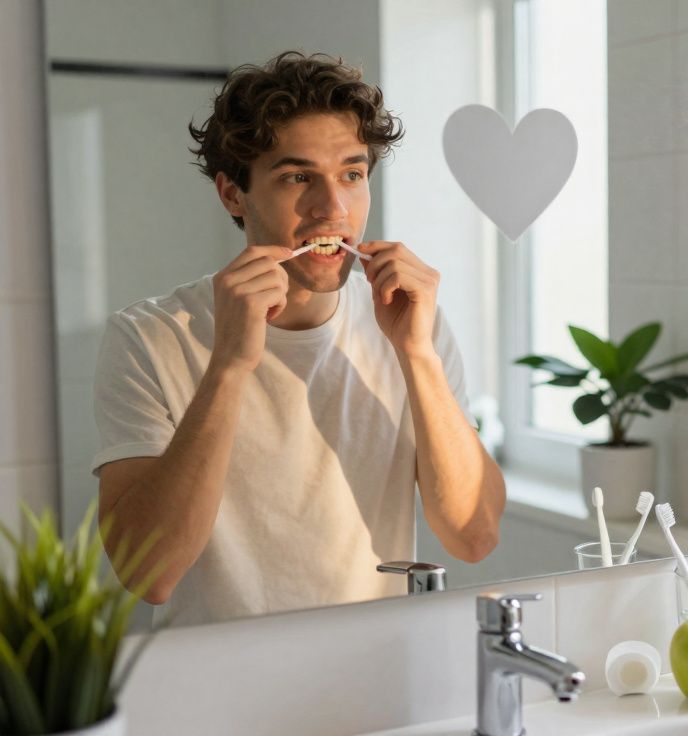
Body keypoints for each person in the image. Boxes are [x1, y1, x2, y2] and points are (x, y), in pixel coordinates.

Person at [93, 52, 505, 626]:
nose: (332, 209)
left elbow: (474, 536)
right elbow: (149, 575)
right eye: (297, 177)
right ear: (233, 195)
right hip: (220, 698)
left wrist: (417, 355)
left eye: (352, 175)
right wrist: (230, 366)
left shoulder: (414, 324)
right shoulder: (151, 337)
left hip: (375, 684)